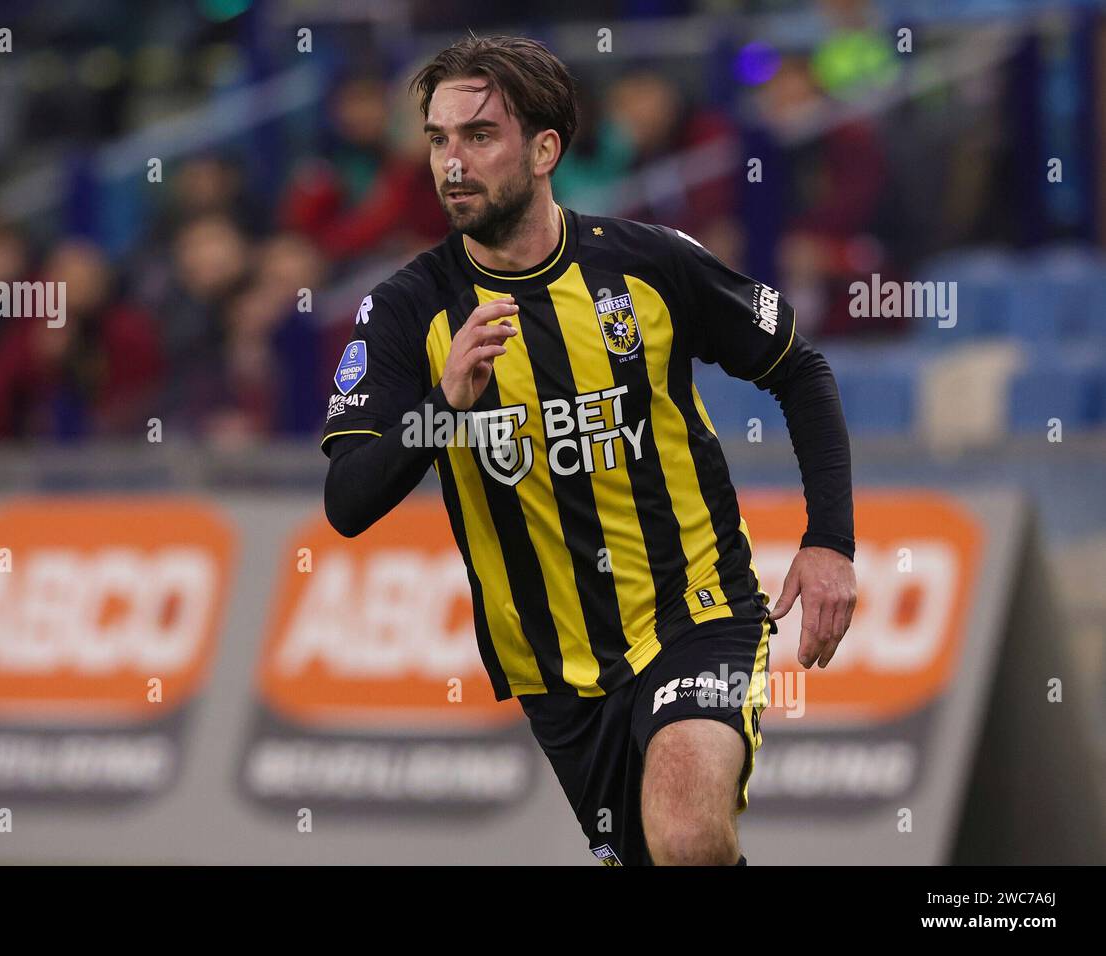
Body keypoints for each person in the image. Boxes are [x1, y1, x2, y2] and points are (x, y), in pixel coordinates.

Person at [319, 36, 857, 866]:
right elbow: (347, 502)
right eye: (437, 140)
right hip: (555, 671)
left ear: (544, 150)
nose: (452, 163)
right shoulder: (404, 312)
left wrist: (830, 543)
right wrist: (443, 407)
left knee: (684, 836)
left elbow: (799, 369)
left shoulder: (646, 264)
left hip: (696, 609)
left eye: (478, 137)